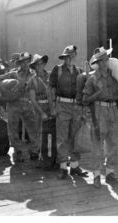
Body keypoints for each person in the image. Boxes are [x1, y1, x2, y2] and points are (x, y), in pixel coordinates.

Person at [82, 47, 118, 188]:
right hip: (99, 111)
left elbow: (114, 95)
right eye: (106, 59)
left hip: (113, 109)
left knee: (112, 142)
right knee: (97, 143)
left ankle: (110, 174)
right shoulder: (92, 79)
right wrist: (98, 93)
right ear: (100, 62)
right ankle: (96, 175)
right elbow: (85, 99)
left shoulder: (113, 76)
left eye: (107, 58)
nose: (108, 61)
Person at [49, 45, 88, 179]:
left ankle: (75, 166)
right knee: (62, 137)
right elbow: (51, 89)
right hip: (62, 105)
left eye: (71, 56)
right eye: (67, 56)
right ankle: (63, 168)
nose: (69, 59)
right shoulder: (57, 70)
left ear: (75, 56)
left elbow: (84, 91)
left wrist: (83, 108)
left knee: (75, 136)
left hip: (76, 106)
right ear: (64, 57)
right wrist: (53, 106)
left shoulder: (80, 71)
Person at [0, 52, 38, 163]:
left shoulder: (34, 74)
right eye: (23, 61)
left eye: (27, 61)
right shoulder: (13, 74)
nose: (25, 63)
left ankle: (34, 151)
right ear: (19, 63)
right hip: (14, 104)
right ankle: (17, 151)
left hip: (27, 104)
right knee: (13, 129)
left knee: (33, 128)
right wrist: (1, 91)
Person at [27, 54, 56, 167]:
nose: (40, 66)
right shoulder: (32, 81)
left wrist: (53, 108)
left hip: (50, 107)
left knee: (53, 132)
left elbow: (53, 93)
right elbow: (33, 100)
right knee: (40, 133)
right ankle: (41, 157)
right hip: (38, 109)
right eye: (37, 64)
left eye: (42, 63)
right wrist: (42, 113)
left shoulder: (49, 77)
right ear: (34, 67)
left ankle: (53, 156)